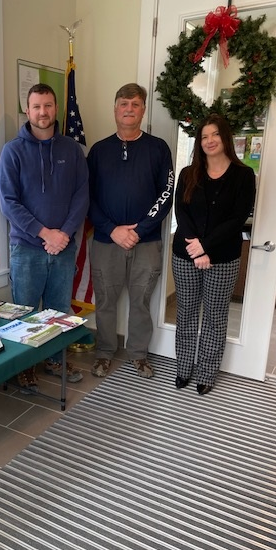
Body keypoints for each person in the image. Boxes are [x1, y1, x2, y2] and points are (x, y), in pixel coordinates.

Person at [0, 83, 89, 393]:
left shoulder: (71, 150)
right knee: (25, 311)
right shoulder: (13, 151)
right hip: (26, 248)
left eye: (48, 105)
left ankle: (53, 360)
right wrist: (44, 232)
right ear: (27, 109)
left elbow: (81, 195)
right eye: (36, 106)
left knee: (58, 310)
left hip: (63, 248)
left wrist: (62, 234)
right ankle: (24, 367)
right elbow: (9, 202)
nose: (43, 112)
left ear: (55, 108)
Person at [88, 83, 174, 378]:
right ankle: (104, 352)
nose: (129, 109)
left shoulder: (158, 148)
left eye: (135, 104)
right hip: (105, 241)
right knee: (106, 301)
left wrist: (140, 229)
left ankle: (138, 354)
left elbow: (167, 192)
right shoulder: (99, 151)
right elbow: (88, 198)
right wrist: (112, 230)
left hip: (146, 241)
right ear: (115, 108)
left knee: (140, 302)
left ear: (143, 110)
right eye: (124, 103)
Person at [172, 114, 256, 395]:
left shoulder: (243, 176)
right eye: (204, 136)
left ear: (226, 138)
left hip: (223, 258)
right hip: (185, 256)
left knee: (215, 317)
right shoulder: (187, 173)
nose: (209, 141)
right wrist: (196, 249)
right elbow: (181, 212)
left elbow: (237, 218)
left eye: (214, 135)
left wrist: (206, 246)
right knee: (185, 314)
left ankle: (206, 373)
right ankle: (183, 368)